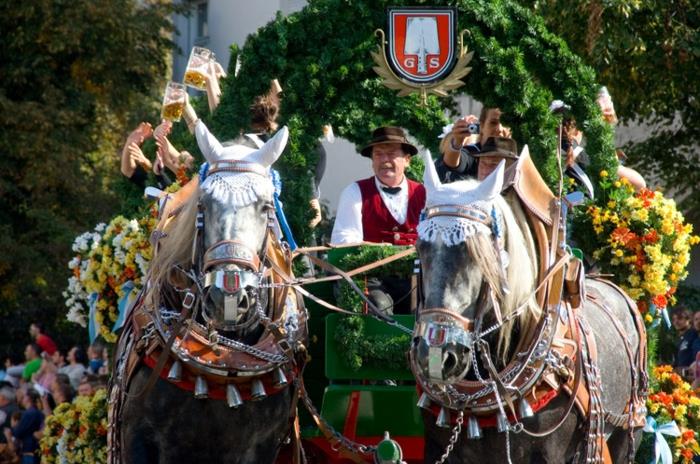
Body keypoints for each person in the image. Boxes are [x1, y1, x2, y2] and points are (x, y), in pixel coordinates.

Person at [331, 126, 425, 245]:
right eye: (378, 154)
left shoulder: (424, 193)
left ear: (407, 160)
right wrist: (376, 248)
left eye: (391, 154)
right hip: (375, 263)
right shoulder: (354, 192)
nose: (385, 160)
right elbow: (343, 239)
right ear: (372, 161)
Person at [436, 107, 512, 183]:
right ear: (482, 126)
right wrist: (456, 143)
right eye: (493, 123)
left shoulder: (517, 159)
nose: (500, 128)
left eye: (506, 123)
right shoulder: (472, 153)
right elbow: (453, 163)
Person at [11, 389, 43, 464]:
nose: (22, 398)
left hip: (30, 451)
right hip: (32, 450)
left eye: (24, 396)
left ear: (29, 398)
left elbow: (18, 432)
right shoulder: (33, 412)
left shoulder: (30, 413)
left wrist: (13, 426)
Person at [671, 306, 700, 378]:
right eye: (674, 319)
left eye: (680, 318)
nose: (676, 322)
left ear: (689, 319)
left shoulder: (694, 334)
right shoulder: (681, 338)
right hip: (682, 377)